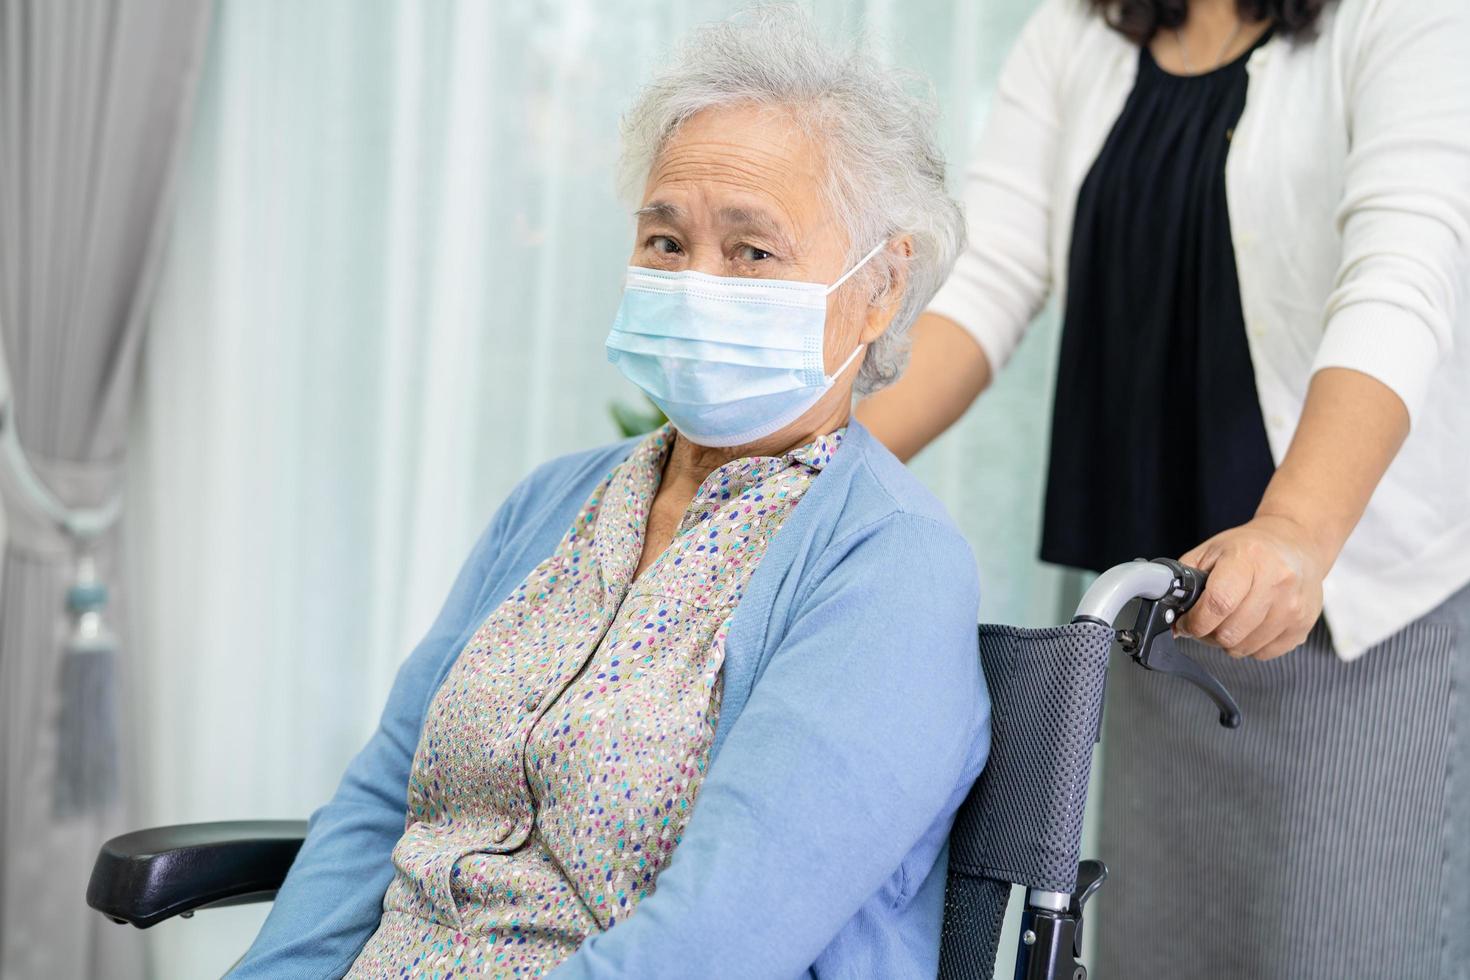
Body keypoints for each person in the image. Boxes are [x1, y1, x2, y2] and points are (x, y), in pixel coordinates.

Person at [229, 9, 987, 979]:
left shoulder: (890, 566)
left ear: (880, 288)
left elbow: (721, 942)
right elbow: (386, 798)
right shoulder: (553, 502)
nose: (696, 279)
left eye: (752, 251)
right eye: (666, 241)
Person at [857, 0, 1470, 976]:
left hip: (1348, 611)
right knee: (1156, 945)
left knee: (1327, 945)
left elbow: (1401, 280)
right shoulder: (1079, 30)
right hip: (1154, 609)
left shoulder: (1407, 17)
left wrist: (1298, 531)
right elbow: (989, 277)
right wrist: (800, 468)